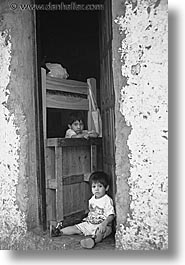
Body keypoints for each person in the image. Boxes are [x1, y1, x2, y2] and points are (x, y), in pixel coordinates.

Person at [50, 171, 115, 249]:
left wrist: (104, 224)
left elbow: (111, 215)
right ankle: (58, 232)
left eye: (100, 186)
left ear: (106, 188)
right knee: (76, 228)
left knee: (100, 233)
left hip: (103, 225)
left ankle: (92, 241)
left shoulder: (107, 200)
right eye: (94, 187)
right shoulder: (92, 199)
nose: (96, 189)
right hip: (90, 223)